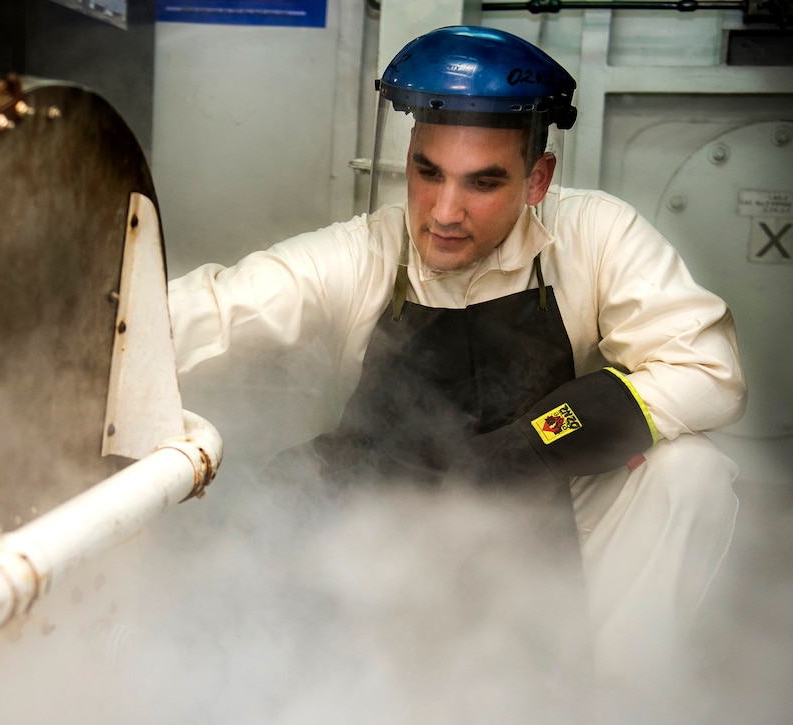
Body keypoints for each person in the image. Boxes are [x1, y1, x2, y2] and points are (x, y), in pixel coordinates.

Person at [167, 24, 745, 713]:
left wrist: (529, 445)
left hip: (546, 520)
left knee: (694, 474)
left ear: (538, 178)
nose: (443, 212)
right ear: (408, 158)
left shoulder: (595, 235)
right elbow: (220, 306)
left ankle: (610, 701)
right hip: (389, 536)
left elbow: (708, 367)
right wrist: (86, 331)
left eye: (483, 182)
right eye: (428, 172)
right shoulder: (367, 252)